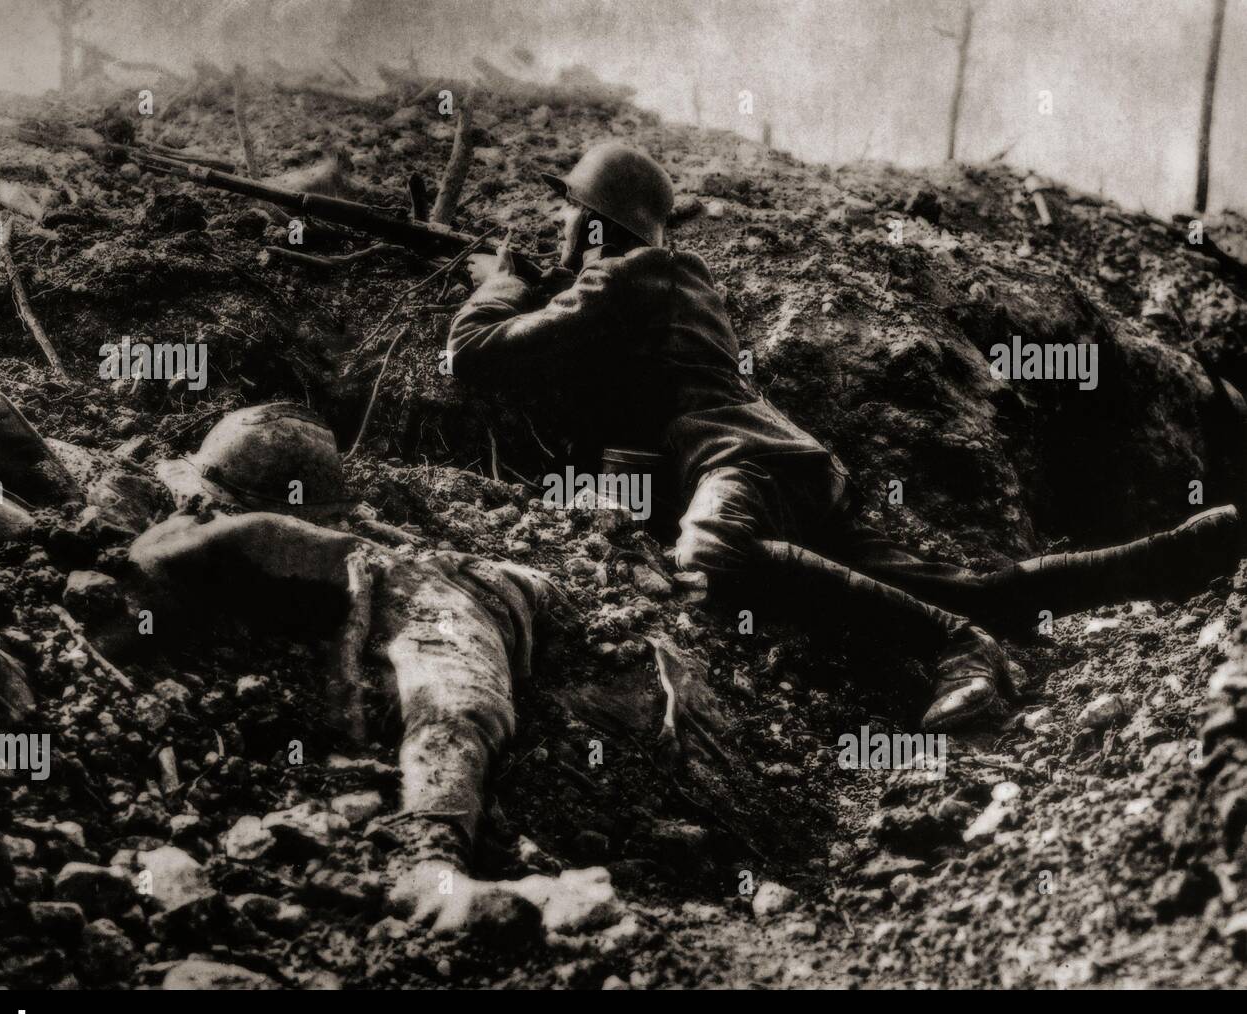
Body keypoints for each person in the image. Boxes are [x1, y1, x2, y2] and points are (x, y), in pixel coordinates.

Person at [447, 141, 1243, 732]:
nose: (560, 225)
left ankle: (961, 647)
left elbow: (474, 356)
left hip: (742, 464)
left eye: (569, 213)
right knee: (961, 583)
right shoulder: (661, 278)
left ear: (593, 222)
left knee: (710, 557)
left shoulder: (624, 277)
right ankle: (1167, 561)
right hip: (789, 468)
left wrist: (500, 283)